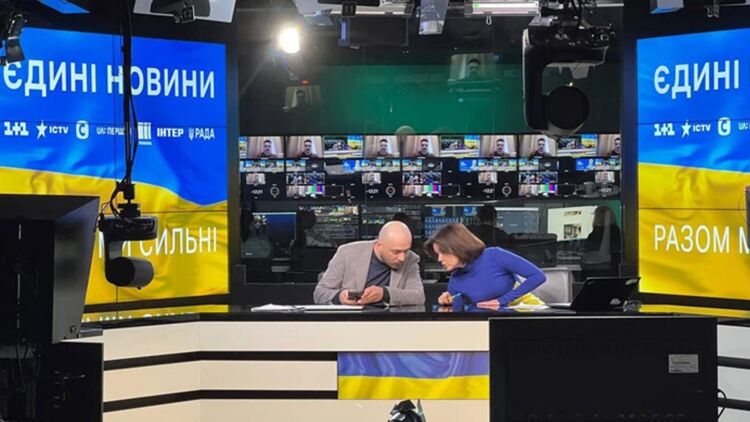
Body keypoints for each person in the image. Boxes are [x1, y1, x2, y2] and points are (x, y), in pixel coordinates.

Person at [425, 223, 545, 308]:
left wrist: (501, 301)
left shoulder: (494, 255)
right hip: (493, 323)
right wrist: (447, 302)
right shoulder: (455, 280)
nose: (439, 259)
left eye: (443, 252)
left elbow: (538, 276)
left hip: (527, 311)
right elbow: (460, 313)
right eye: (437, 254)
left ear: (457, 247)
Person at [314, 221, 425, 306]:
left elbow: (418, 296)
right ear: (379, 245)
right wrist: (339, 297)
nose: (402, 258)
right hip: (351, 322)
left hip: (390, 323)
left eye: (406, 251)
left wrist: (384, 294)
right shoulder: (347, 253)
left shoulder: (411, 259)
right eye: (396, 252)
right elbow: (320, 293)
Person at [581, 206, 622, 272]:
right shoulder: (617, 232)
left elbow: (588, 249)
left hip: (596, 269)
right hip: (613, 269)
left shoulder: (595, 234)